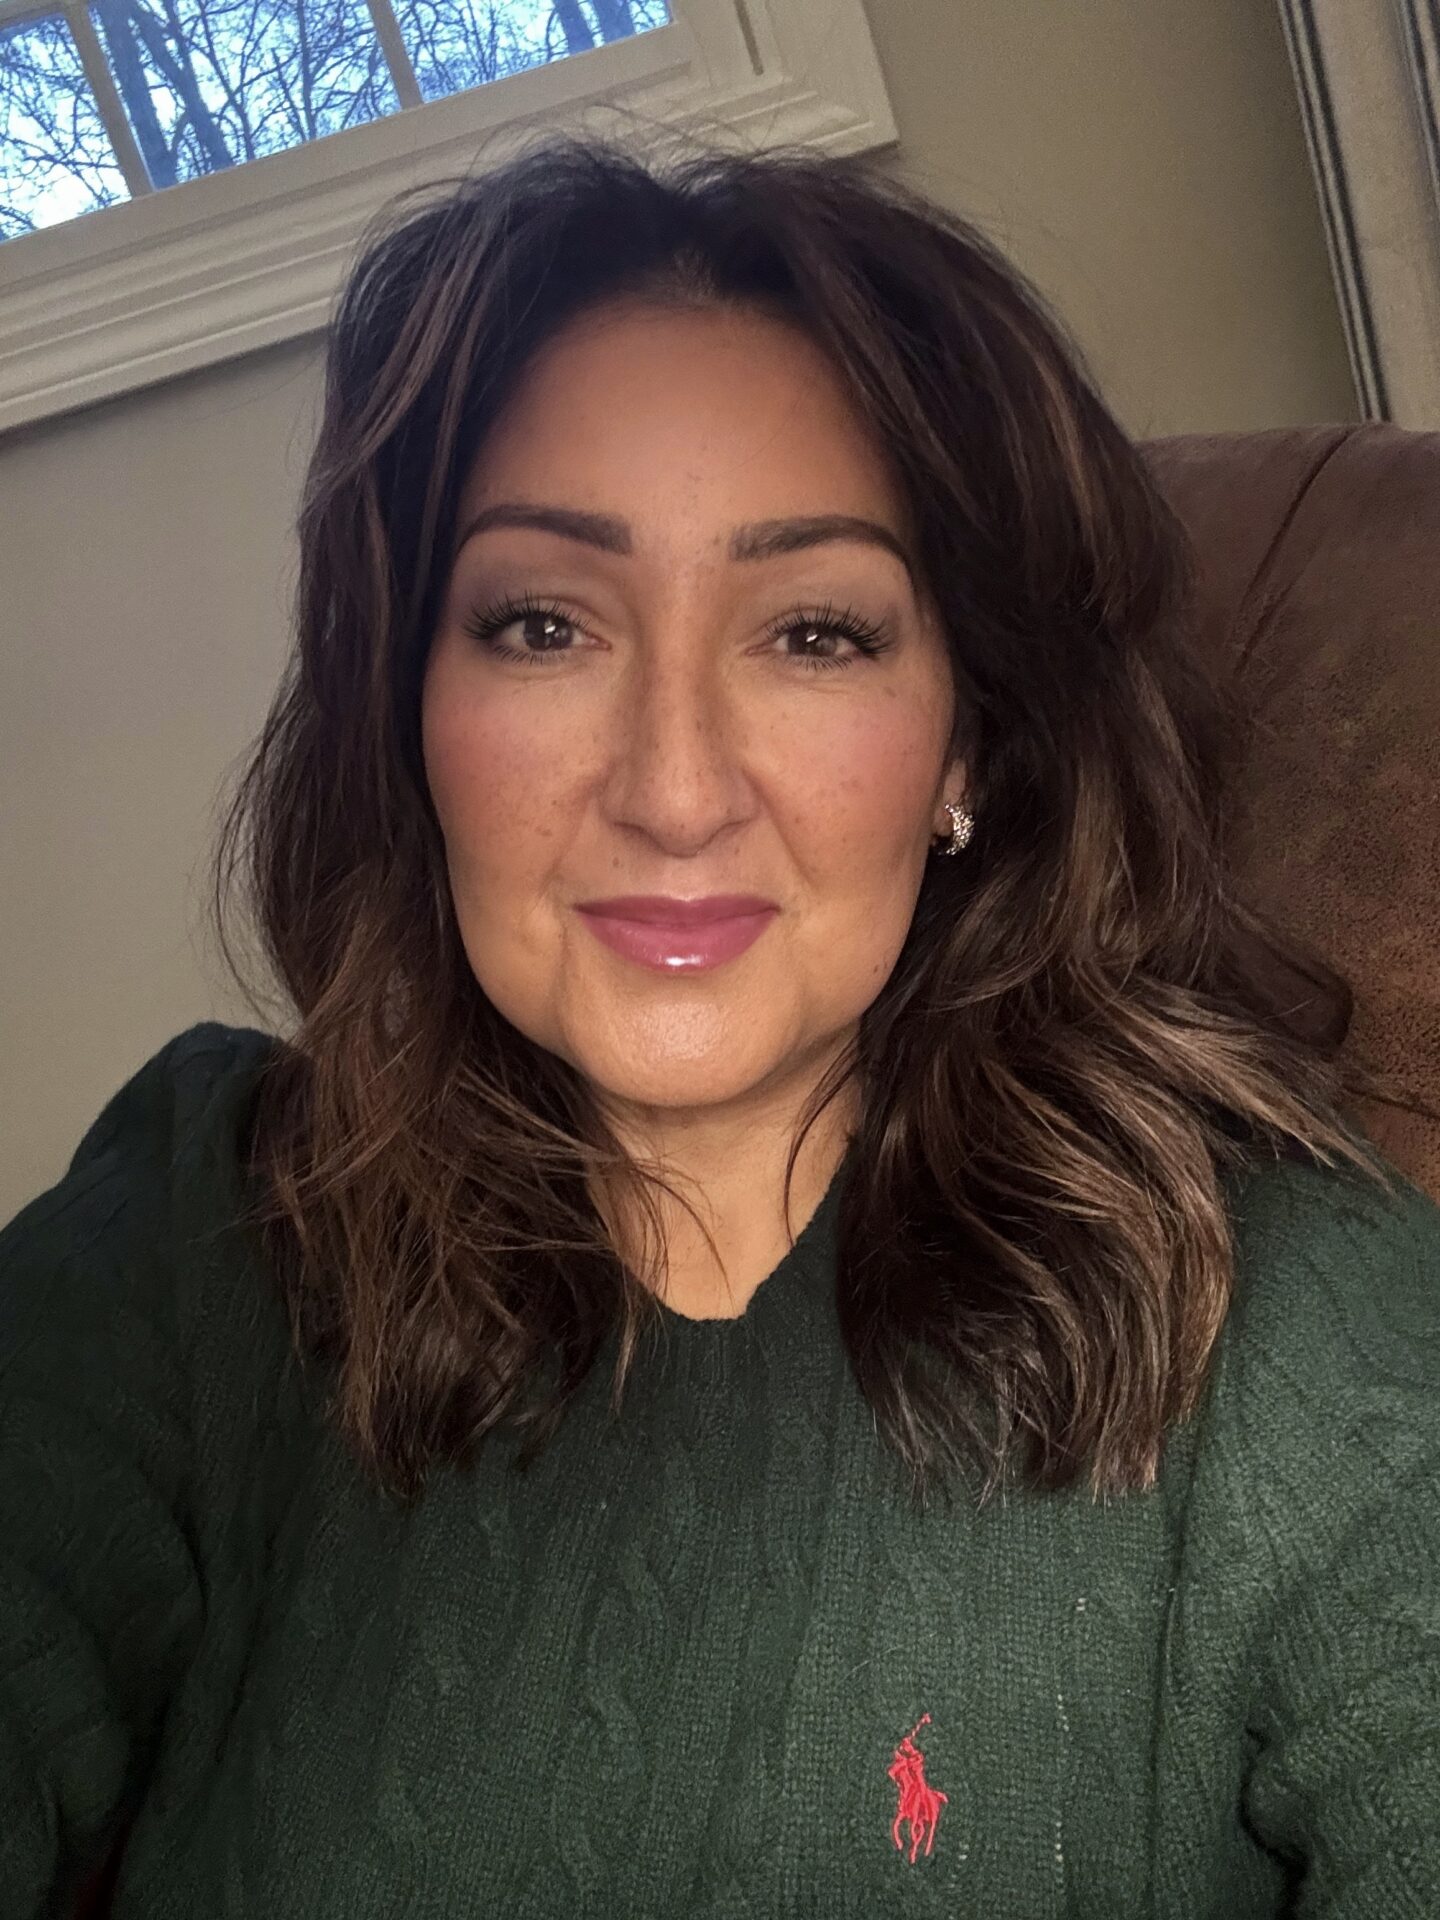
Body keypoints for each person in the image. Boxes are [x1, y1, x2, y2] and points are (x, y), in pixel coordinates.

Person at [2, 127, 1437, 1919]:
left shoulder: (1279, 1311)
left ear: (970, 746)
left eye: (815, 633)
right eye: (543, 624)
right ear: (410, 708)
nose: (674, 792)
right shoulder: (206, 1231)